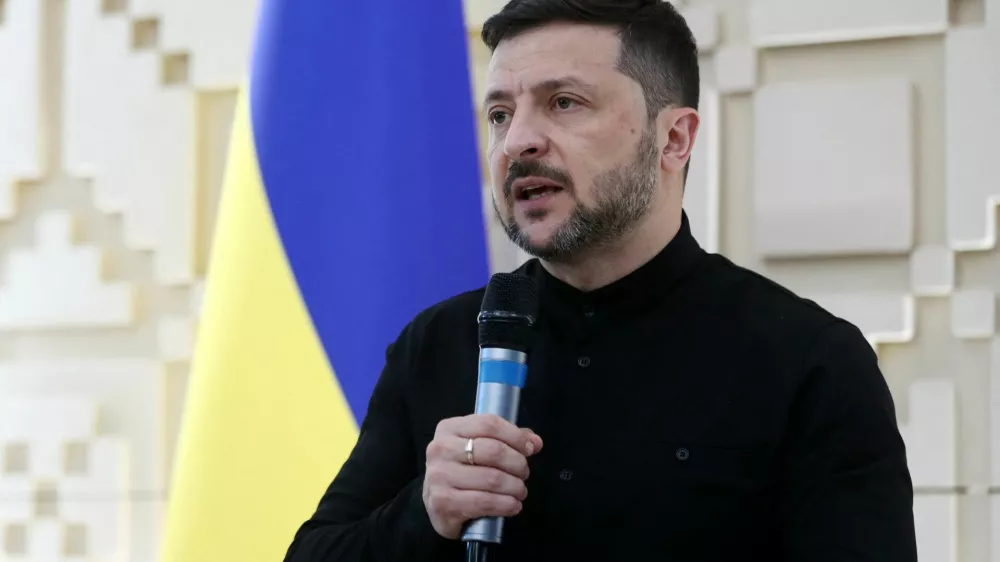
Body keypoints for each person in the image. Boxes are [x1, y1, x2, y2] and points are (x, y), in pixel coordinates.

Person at [283, 0, 918, 560]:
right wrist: (422, 516)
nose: (518, 142)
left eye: (564, 103)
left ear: (674, 139)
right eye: (500, 114)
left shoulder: (810, 363)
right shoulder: (438, 341)